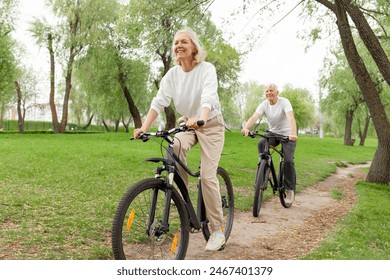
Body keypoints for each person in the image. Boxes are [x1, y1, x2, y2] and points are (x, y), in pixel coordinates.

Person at [133, 27, 226, 251]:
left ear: (194, 47)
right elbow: (159, 101)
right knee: (173, 148)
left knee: (206, 176)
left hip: (210, 124)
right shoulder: (173, 75)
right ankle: (186, 208)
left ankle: (217, 230)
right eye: (176, 42)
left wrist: (201, 118)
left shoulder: (206, 69)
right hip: (188, 123)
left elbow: (209, 96)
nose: (179, 46)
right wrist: (144, 127)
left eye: (184, 41)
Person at [241, 83, 297, 191]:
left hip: (288, 134)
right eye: (267, 91)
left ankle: (289, 189)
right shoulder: (264, 104)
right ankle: (266, 169)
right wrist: (246, 128)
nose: (269, 93)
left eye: (271, 90)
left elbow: (291, 118)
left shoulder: (284, 102)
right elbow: (254, 117)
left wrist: (293, 133)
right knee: (261, 143)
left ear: (277, 92)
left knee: (288, 161)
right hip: (274, 133)